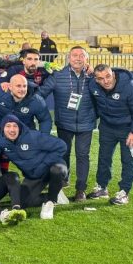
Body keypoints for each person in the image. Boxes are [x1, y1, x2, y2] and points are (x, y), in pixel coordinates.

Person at [0, 115, 68, 220]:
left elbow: (61, 146)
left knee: (57, 170)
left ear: (19, 127)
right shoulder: (0, 141)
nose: (12, 130)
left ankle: (51, 201)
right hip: (34, 176)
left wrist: (43, 165)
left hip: (53, 166)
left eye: (15, 126)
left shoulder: (33, 136)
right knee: (22, 202)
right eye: (8, 126)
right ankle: (55, 194)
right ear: (2, 128)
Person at [37, 46, 97, 200]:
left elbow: (111, 78)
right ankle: (62, 181)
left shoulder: (94, 77)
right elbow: (40, 93)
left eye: (81, 56)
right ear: (69, 58)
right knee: (64, 153)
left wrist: (95, 72)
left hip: (86, 123)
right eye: (74, 55)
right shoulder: (58, 75)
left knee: (83, 155)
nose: (78, 58)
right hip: (64, 123)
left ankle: (81, 189)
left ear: (86, 59)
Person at [86, 65, 133, 205]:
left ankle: (124, 192)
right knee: (104, 158)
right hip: (107, 128)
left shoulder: (132, 87)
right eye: (101, 78)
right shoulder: (93, 86)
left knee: (128, 160)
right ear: (96, 80)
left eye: (108, 76)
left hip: (128, 129)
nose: (106, 81)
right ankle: (102, 187)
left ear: (113, 74)